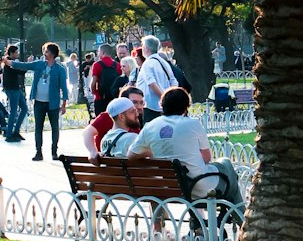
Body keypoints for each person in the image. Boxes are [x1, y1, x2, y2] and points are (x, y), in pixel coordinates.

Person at [127, 86, 245, 214]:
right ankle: (243, 220)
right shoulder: (193, 124)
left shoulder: (150, 126)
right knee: (227, 167)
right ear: (186, 107)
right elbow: (206, 158)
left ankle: (201, 225)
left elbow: (131, 155)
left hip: (169, 187)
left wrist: (152, 152)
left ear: (162, 105)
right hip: (198, 185)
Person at [27, 41, 69, 161]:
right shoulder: (40, 65)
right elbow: (25, 65)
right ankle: (38, 152)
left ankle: (54, 151)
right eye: (44, 51)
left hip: (53, 103)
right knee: (38, 128)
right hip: (39, 102)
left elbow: (64, 88)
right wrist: (9, 63)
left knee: (54, 127)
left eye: (47, 51)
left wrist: (64, 104)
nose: (45, 53)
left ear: (53, 54)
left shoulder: (60, 69)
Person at [83, 84, 144, 158]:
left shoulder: (134, 121)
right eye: (135, 102)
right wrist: (93, 152)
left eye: (141, 103)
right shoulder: (109, 116)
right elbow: (87, 132)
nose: (140, 107)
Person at [136, 35, 180, 122]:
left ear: (146, 48)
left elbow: (151, 83)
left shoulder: (147, 64)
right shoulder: (164, 62)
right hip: (163, 106)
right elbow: (174, 81)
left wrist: (164, 98)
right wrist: (171, 96)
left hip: (151, 106)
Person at [0, 44, 29, 142]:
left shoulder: (9, 61)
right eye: (16, 52)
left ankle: (16, 131)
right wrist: (28, 64)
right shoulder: (9, 62)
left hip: (16, 88)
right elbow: (20, 72)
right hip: (12, 89)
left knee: (24, 109)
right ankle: (9, 134)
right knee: (13, 111)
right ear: (11, 53)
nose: (18, 54)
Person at [90, 45, 121, 116]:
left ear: (103, 52)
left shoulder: (97, 64)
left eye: (98, 51)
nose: (98, 53)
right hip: (114, 97)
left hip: (100, 97)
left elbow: (93, 82)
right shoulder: (117, 65)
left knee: (100, 121)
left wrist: (93, 92)